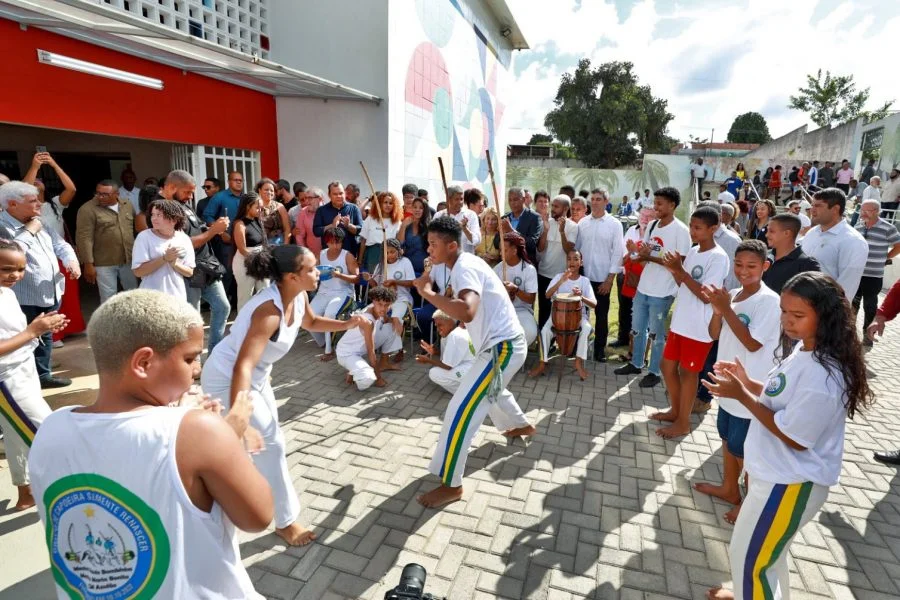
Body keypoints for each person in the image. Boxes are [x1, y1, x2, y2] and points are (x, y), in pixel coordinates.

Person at [29, 290, 275, 598]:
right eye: (190, 358)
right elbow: (258, 517)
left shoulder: (51, 427)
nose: (197, 369)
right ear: (143, 362)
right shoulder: (198, 431)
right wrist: (228, 434)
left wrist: (177, 416)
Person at [703, 272, 871, 600]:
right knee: (767, 559)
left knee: (751, 564)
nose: (787, 321)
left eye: (798, 315)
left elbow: (795, 437)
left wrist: (741, 395)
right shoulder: (807, 349)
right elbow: (778, 396)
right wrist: (747, 382)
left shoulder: (824, 375)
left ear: (826, 317)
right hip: (776, 478)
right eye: (783, 311)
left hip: (790, 484)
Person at [201, 245, 363, 546]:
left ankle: (249, 492)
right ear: (291, 277)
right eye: (311, 269)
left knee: (266, 444)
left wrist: (347, 324)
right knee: (272, 445)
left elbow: (311, 323)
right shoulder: (269, 312)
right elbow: (242, 365)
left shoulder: (298, 296)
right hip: (228, 378)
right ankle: (284, 521)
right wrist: (239, 415)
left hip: (257, 376)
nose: (319, 272)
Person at [412, 216, 535, 508]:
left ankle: (452, 485)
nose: (428, 249)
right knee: (491, 392)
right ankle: (521, 425)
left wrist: (427, 293)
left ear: (452, 246)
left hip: (502, 349)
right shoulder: (462, 263)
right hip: (500, 347)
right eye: (428, 243)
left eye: (433, 244)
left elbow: (466, 311)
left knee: (460, 411)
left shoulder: (464, 267)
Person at [692, 240, 781, 525]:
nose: (743, 271)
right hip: (727, 385)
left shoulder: (769, 301)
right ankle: (730, 489)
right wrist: (719, 311)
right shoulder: (732, 295)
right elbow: (714, 334)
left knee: (746, 452)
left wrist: (726, 309)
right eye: (739, 264)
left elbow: (753, 343)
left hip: (748, 390)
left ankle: (752, 506)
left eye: (751, 266)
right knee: (728, 439)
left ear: (765, 266)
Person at [0, 239, 67, 510]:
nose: (15, 275)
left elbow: (13, 334)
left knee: (16, 432)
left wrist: (39, 326)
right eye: (6, 269)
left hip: (23, 368)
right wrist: (32, 332)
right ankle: (76, 489)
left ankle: (26, 492)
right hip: (7, 379)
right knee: (48, 432)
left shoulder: (7, 293)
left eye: (20, 269)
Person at [652, 206, 729, 439]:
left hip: (698, 328)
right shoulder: (694, 251)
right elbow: (683, 285)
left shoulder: (718, 257)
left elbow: (707, 296)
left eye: (698, 228)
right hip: (681, 322)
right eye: (691, 226)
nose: (692, 232)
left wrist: (681, 272)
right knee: (667, 367)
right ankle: (676, 412)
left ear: (713, 229)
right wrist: (674, 270)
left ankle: (683, 423)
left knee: (688, 373)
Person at [0, 182, 80, 389]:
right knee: (24, 336)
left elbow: (60, 244)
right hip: (22, 295)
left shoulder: (38, 221)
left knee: (46, 333)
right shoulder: (3, 226)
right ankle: (27, 379)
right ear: (12, 204)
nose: (39, 204)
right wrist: (29, 231)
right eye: (33, 201)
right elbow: (13, 253)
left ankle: (43, 374)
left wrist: (71, 261)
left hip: (50, 290)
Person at [615, 187, 691, 388]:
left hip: (663, 292)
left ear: (672, 205)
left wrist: (648, 256)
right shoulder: (653, 225)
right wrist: (636, 253)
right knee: (638, 329)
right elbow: (642, 259)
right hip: (644, 288)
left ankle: (655, 372)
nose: (655, 207)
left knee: (657, 335)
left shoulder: (681, 231)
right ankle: (636, 363)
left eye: (659, 203)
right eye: (655, 203)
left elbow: (680, 265)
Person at [160, 170, 232, 353]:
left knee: (222, 307)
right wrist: (214, 231)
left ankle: (214, 353)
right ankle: (193, 359)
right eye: (187, 192)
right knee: (193, 318)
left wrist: (213, 226)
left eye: (192, 192)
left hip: (206, 267)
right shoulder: (163, 211)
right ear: (172, 187)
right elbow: (183, 244)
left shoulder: (184, 205)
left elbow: (196, 229)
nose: (191, 196)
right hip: (187, 271)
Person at [23, 153, 83, 347]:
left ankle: (68, 329)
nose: (37, 185)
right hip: (38, 256)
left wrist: (53, 164)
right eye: (34, 184)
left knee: (67, 295)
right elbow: (23, 188)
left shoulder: (54, 204)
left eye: (39, 183)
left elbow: (71, 188)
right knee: (48, 297)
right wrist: (34, 167)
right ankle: (54, 335)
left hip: (60, 254)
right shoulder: (26, 210)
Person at [529, 249, 597, 381]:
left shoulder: (584, 281)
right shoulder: (559, 276)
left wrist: (581, 296)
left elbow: (594, 304)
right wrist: (561, 281)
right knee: (545, 331)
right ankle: (542, 363)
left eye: (576, 259)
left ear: (581, 262)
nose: (572, 262)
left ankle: (578, 361)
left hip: (578, 316)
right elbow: (547, 295)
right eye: (569, 259)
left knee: (586, 329)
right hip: (557, 315)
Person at [576, 189, 624, 362]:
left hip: (602, 279)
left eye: (598, 199)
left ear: (606, 202)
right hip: (584, 278)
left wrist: (609, 280)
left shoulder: (614, 224)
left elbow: (618, 253)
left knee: (601, 316)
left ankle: (599, 350)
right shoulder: (583, 223)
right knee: (580, 314)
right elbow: (577, 250)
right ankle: (579, 348)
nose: (595, 202)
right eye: (593, 199)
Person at [800, 188, 868, 301]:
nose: (812, 210)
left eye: (818, 206)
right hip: (800, 302)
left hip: (826, 307)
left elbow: (846, 287)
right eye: (812, 205)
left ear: (835, 209)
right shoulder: (812, 233)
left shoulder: (853, 241)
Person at [76, 179, 137, 304]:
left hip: (128, 259)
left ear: (116, 194)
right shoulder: (87, 209)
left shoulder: (127, 205)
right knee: (109, 298)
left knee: (133, 294)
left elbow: (135, 229)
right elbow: (84, 238)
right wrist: (88, 264)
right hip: (104, 262)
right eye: (98, 193)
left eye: (105, 194)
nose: (100, 197)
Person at [336, 285, 403, 389]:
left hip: (359, 349)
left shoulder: (375, 310)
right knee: (368, 378)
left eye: (387, 305)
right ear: (374, 301)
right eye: (380, 304)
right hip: (346, 353)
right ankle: (354, 373)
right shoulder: (368, 321)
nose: (383, 308)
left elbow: (386, 319)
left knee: (393, 327)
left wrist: (396, 321)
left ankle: (383, 363)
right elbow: (371, 354)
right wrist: (378, 379)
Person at [853, 199, 900, 344]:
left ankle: (868, 335)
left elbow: (898, 245)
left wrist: (886, 257)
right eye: (861, 210)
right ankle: (849, 336)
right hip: (855, 274)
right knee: (852, 305)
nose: (862, 213)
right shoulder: (858, 226)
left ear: (876, 211)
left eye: (866, 210)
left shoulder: (888, 228)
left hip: (873, 275)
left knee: (870, 306)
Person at [309, 227, 359, 361]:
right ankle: (325, 342)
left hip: (344, 293)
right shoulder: (321, 254)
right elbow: (312, 271)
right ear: (326, 242)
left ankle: (329, 350)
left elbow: (357, 278)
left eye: (338, 242)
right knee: (308, 316)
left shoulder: (347, 256)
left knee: (329, 315)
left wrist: (339, 275)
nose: (336, 245)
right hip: (323, 292)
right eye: (332, 242)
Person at [132, 199, 194, 299]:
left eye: (159, 215)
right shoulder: (144, 237)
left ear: (174, 219)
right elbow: (138, 272)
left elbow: (190, 272)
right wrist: (164, 258)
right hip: (150, 298)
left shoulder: (184, 238)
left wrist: (175, 264)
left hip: (177, 297)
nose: (154, 218)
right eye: (153, 214)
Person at [365, 239, 415, 360]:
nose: (389, 255)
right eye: (386, 253)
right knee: (367, 314)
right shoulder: (380, 265)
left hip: (402, 298)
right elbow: (376, 287)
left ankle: (399, 350)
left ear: (398, 251)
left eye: (392, 252)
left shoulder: (405, 262)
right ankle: (374, 346)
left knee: (396, 318)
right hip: (384, 300)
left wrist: (395, 282)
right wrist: (369, 279)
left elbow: (412, 283)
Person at [616, 207, 655, 353]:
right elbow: (624, 252)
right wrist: (631, 253)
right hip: (627, 275)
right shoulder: (632, 230)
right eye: (643, 215)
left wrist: (635, 251)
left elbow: (649, 259)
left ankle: (638, 346)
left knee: (641, 313)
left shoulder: (655, 234)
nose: (645, 218)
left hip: (645, 280)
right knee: (624, 308)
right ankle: (623, 338)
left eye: (649, 216)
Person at [536, 194, 578, 329]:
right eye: (552, 205)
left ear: (565, 209)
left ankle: (557, 338)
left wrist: (562, 232)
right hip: (543, 274)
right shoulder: (546, 222)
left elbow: (568, 250)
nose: (552, 209)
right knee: (543, 310)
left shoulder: (573, 226)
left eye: (556, 206)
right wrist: (545, 230)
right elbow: (540, 248)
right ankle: (543, 338)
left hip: (561, 277)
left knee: (559, 311)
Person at [494, 232, 538, 347]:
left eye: (505, 250)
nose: (501, 253)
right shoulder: (498, 269)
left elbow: (531, 299)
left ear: (514, 250)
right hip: (502, 311)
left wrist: (516, 290)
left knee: (530, 332)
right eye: (500, 250)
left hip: (522, 311)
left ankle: (516, 353)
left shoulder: (529, 270)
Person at [415, 310, 475, 394]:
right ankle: (467, 389)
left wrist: (428, 360)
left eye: (440, 325)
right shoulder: (451, 334)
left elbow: (447, 366)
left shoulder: (455, 336)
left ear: (450, 322)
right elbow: (447, 357)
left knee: (434, 373)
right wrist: (435, 352)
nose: (438, 329)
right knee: (439, 371)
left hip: (471, 370)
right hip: (470, 368)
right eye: (436, 326)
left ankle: (466, 394)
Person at [762, 214, 821, 294]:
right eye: (767, 231)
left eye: (771, 231)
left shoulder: (807, 265)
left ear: (787, 233)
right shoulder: (763, 256)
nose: (767, 235)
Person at [231, 192, 268, 309]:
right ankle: (243, 320)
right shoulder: (240, 224)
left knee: (265, 292)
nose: (260, 210)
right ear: (248, 207)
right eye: (257, 207)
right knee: (245, 296)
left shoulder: (258, 220)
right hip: (245, 262)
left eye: (261, 208)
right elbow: (242, 249)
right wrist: (258, 260)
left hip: (260, 260)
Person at [313, 182, 364, 255]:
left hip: (349, 254)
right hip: (329, 254)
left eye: (341, 193)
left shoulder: (354, 208)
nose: (339, 196)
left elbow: (361, 230)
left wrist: (348, 226)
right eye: (335, 194)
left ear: (345, 193)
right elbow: (316, 231)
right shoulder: (321, 210)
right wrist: (332, 225)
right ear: (329, 195)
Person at [359, 191, 402, 275]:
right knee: (373, 278)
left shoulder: (397, 222)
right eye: (385, 202)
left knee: (387, 278)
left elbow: (398, 243)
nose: (388, 205)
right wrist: (360, 260)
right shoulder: (370, 219)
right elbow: (363, 240)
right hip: (373, 253)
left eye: (390, 203)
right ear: (380, 204)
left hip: (390, 254)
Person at [498, 187, 542, 265]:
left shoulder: (534, 217)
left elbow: (532, 244)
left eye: (515, 200)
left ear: (524, 199)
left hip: (525, 264)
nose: (512, 203)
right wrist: (501, 233)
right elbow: (496, 242)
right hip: (506, 264)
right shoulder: (504, 218)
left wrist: (511, 231)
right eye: (510, 200)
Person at [435, 185, 481, 254]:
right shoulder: (439, 215)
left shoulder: (471, 215)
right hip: (445, 258)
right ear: (448, 199)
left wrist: (465, 229)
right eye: (456, 199)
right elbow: (433, 239)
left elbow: (476, 241)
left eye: (461, 199)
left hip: (465, 258)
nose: (460, 202)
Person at [398, 197, 431, 273]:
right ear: (411, 208)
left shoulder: (429, 227)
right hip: (407, 269)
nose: (417, 210)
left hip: (424, 270)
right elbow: (400, 244)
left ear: (425, 210)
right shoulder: (407, 224)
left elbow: (431, 253)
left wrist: (427, 271)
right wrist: (403, 226)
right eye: (415, 207)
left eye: (421, 208)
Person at [255, 178, 292, 246]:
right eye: (266, 190)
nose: (269, 192)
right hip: (259, 244)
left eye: (272, 190)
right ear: (259, 190)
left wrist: (285, 246)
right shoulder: (254, 206)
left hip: (278, 244)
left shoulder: (280, 207)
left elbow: (287, 229)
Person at [292, 186, 324, 257]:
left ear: (319, 199)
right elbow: (299, 236)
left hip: (329, 255)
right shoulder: (303, 212)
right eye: (306, 198)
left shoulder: (327, 211)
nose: (306, 201)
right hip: (311, 255)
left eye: (310, 198)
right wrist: (305, 253)